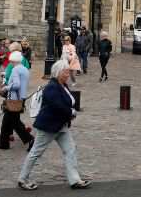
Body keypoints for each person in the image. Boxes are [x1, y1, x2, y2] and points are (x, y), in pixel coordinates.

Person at [17, 59, 91, 190]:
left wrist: (69, 114)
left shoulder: (63, 85)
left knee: (70, 150)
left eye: (68, 72)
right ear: (58, 73)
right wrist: (70, 112)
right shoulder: (52, 87)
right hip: (49, 126)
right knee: (36, 152)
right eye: (65, 72)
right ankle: (23, 179)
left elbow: (65, 103)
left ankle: (75, 180)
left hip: (61, 125)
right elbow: (56, 106)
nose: (67, 74)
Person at [0, 51, 34, 150]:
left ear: (13, 61)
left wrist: (6, 88)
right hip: (21, 97)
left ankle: (30, 139)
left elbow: (16, 85)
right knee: (7, 121)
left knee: (14, 122)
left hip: (14, 99)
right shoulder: (25, 69)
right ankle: (4, 143)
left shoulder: (15, 70)